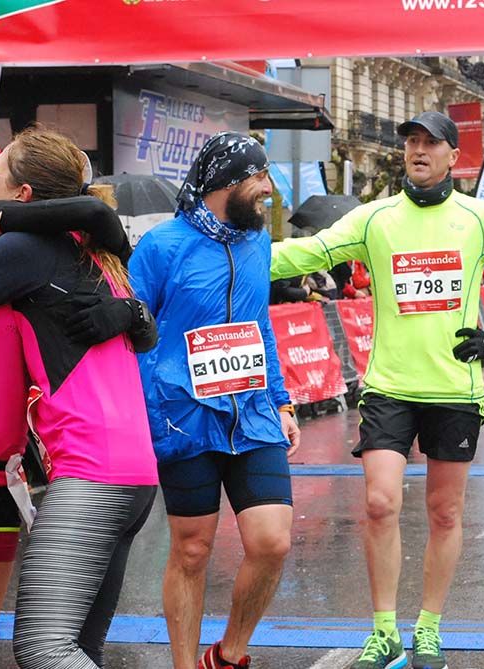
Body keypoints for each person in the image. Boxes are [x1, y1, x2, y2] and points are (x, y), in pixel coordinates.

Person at [270, 111, 484, 669]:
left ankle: (428, 628)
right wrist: (233, 251)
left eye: (431, 143)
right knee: (379, 503)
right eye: (412, 143)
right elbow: (310, 253)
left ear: (455, 156)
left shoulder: (479, 219)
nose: (418, 150)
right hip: (390, 386)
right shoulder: (375, 218)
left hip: (454, 389)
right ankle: (383, 632)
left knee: (445, 513)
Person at [0, 128, 159, 669]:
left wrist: (134, 312)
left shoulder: (57, 252)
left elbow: (96, 216)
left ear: (22, 196)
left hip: (3, 474)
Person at [128, 132, 301, 669]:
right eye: (259, 178)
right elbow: (132, 335)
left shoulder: (257, 243)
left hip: (251, 416)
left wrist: (283, 401)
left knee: (271, 541)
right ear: (226, 182)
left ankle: (228, 653)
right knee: (192, 549)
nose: (268, 189)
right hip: (183, 420)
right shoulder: (161, 247)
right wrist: (155, 414)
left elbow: (259, 326)